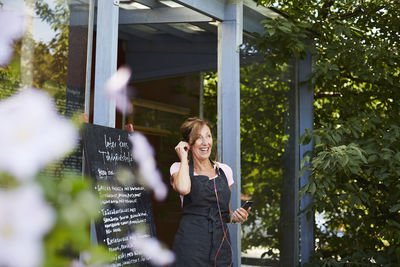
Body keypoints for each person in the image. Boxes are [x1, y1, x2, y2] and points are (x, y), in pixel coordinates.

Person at [170, 117, 250, 266]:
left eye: (208, 136)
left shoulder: (224, 171)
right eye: (198, 138)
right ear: (188, 143)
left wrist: (236, 216)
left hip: (221, 248)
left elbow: (225, 215)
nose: (205, 142)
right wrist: (183, 156)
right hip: (191, 248)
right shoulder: (179, 168)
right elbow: (183, 188)